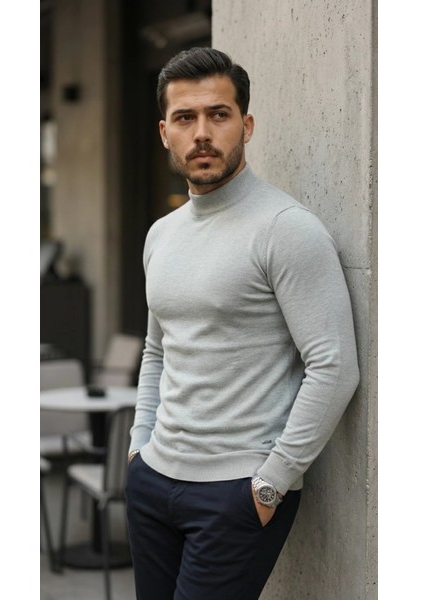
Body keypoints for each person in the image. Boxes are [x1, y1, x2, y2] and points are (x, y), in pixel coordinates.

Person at [125, 47, 359, 600]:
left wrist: (272, 482)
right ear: (165, 133)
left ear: (246, 126)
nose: (202, 133)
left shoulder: (286, 228)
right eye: (185, 118)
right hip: (154, 481)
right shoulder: (161, 235)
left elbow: (334, 367)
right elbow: (157, 350)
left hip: (236, 493)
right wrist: (138, 448)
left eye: (219, 114)